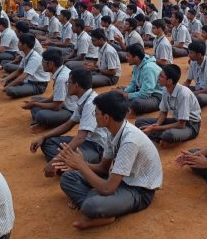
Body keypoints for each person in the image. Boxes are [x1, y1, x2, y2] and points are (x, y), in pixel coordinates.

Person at [56, 91, 163, 230]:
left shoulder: (129, 141)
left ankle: (100, 209)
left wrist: (82, 166)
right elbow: (103, 169)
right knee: (68, 178)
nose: (94, 116)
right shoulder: (112, 131)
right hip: (119, 180)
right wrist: (80, 163)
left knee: (90, 205)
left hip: (139, 190)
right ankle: (102, 208)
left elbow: (108, 189)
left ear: (106, 118)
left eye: (96, 113)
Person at [30, 68, 106, 176]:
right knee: (47, 142)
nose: (67, 85)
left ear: (76, 85)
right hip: (86, 143)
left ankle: (71, 165)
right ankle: (66, 164)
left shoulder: (91, 103)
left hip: (97, 147)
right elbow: (68, 124)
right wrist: (43, 137)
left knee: (69, 172)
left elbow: (80, 137)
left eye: (68, 82)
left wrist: (56, 160)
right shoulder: (83, 100)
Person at [136, 64, 202, 147]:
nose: (158, 78)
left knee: (168, 135)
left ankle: (163, 138)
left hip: (190, 126)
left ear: (169, 81)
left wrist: (154, 129)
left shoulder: (183, 94)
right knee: (140, 122)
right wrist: (157, 124)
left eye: (161, 76)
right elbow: (163, 112)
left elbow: (181, 124)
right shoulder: (165, 90)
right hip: (176, 120)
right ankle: (163, 139)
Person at [22, 48, 76, 130]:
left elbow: (57, 106)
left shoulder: (61, 78)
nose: (41, 64)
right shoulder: (62, 70)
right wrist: (36, 103)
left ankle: (45, 122)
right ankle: (43, 121)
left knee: (41, 114)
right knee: (35, 99)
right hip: (63, 104)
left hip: (70, 110)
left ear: (50, 64)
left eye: (43, 62)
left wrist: (35, 104)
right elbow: (55, 96)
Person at [0, 33, 51, 98]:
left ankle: (21, 87)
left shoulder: (34, 58)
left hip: (38, 85)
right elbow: (19, 71)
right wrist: (5, 79)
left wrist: (5, 88)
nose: (17, 44)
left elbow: (22, 77)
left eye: (19, 43)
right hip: (29, 80)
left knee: (10, 90)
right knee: (6, 78)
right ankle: (21, 86)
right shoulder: (26, 54)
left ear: (25, 45)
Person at [117, 43, 162, 115]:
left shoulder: (148, 68)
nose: (126, 58)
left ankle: (128, 107)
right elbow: (133, 84)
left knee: (135, 103)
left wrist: (127, 95)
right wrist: (124, 93)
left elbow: (145, 94)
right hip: (144, 92)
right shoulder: (137, 65)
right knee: (118, 94)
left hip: (157, 98)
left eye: (128, 56)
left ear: (136, 57)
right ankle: (126, 106)